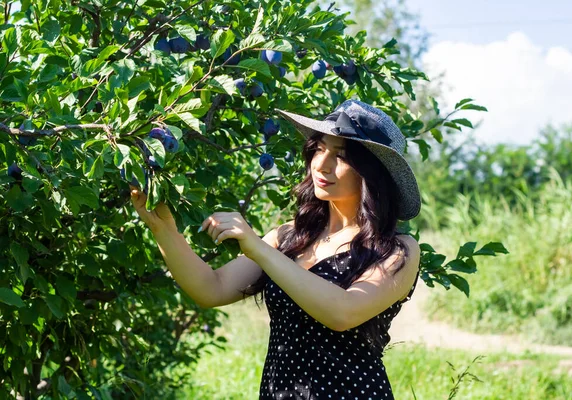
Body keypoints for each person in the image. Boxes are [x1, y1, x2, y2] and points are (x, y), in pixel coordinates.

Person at [130, 99, 422, 399]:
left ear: (371, 173)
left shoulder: (397, 250)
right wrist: (161, 226)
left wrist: (258, 248)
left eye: (341, 155)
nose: (321, 164)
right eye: (319, 148)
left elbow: (342, 312)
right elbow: (211, 288)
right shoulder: (289, 237)